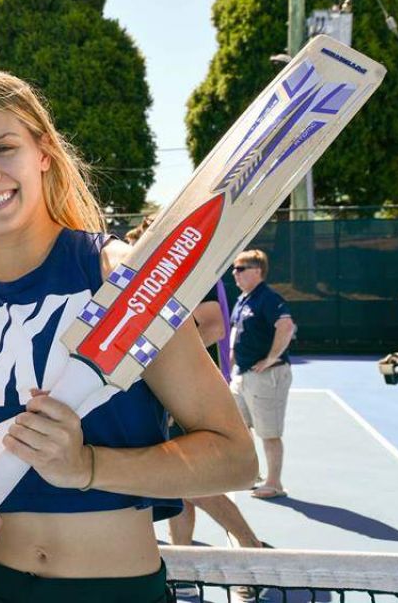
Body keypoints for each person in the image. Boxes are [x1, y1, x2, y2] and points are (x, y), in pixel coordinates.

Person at [0, 69, 256, 602]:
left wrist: (88, 467)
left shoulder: (117, 274)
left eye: (4, 148)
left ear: (43, 152)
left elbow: (235, 458)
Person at [124, 219, 268, 553]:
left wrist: (165, 364)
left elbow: (214, 326)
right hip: (166, 394)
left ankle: (250, 545)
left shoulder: (192, 275)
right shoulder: (152, 279)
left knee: (192, 482)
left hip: (187, 394)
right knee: (177, 482)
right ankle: (183, 556)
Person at [230, 249, 296, 500]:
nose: (235, 273)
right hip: (242, 375)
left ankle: (274, 483)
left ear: (257, 271)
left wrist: (270, 358)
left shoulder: (267, 298)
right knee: (239, 428)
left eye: (240, 269)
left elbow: (286, 326)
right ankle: (252, 475)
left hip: (267, 377)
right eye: (234, 269)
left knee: (268, 432)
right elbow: (236, 334)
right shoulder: (243, 299)